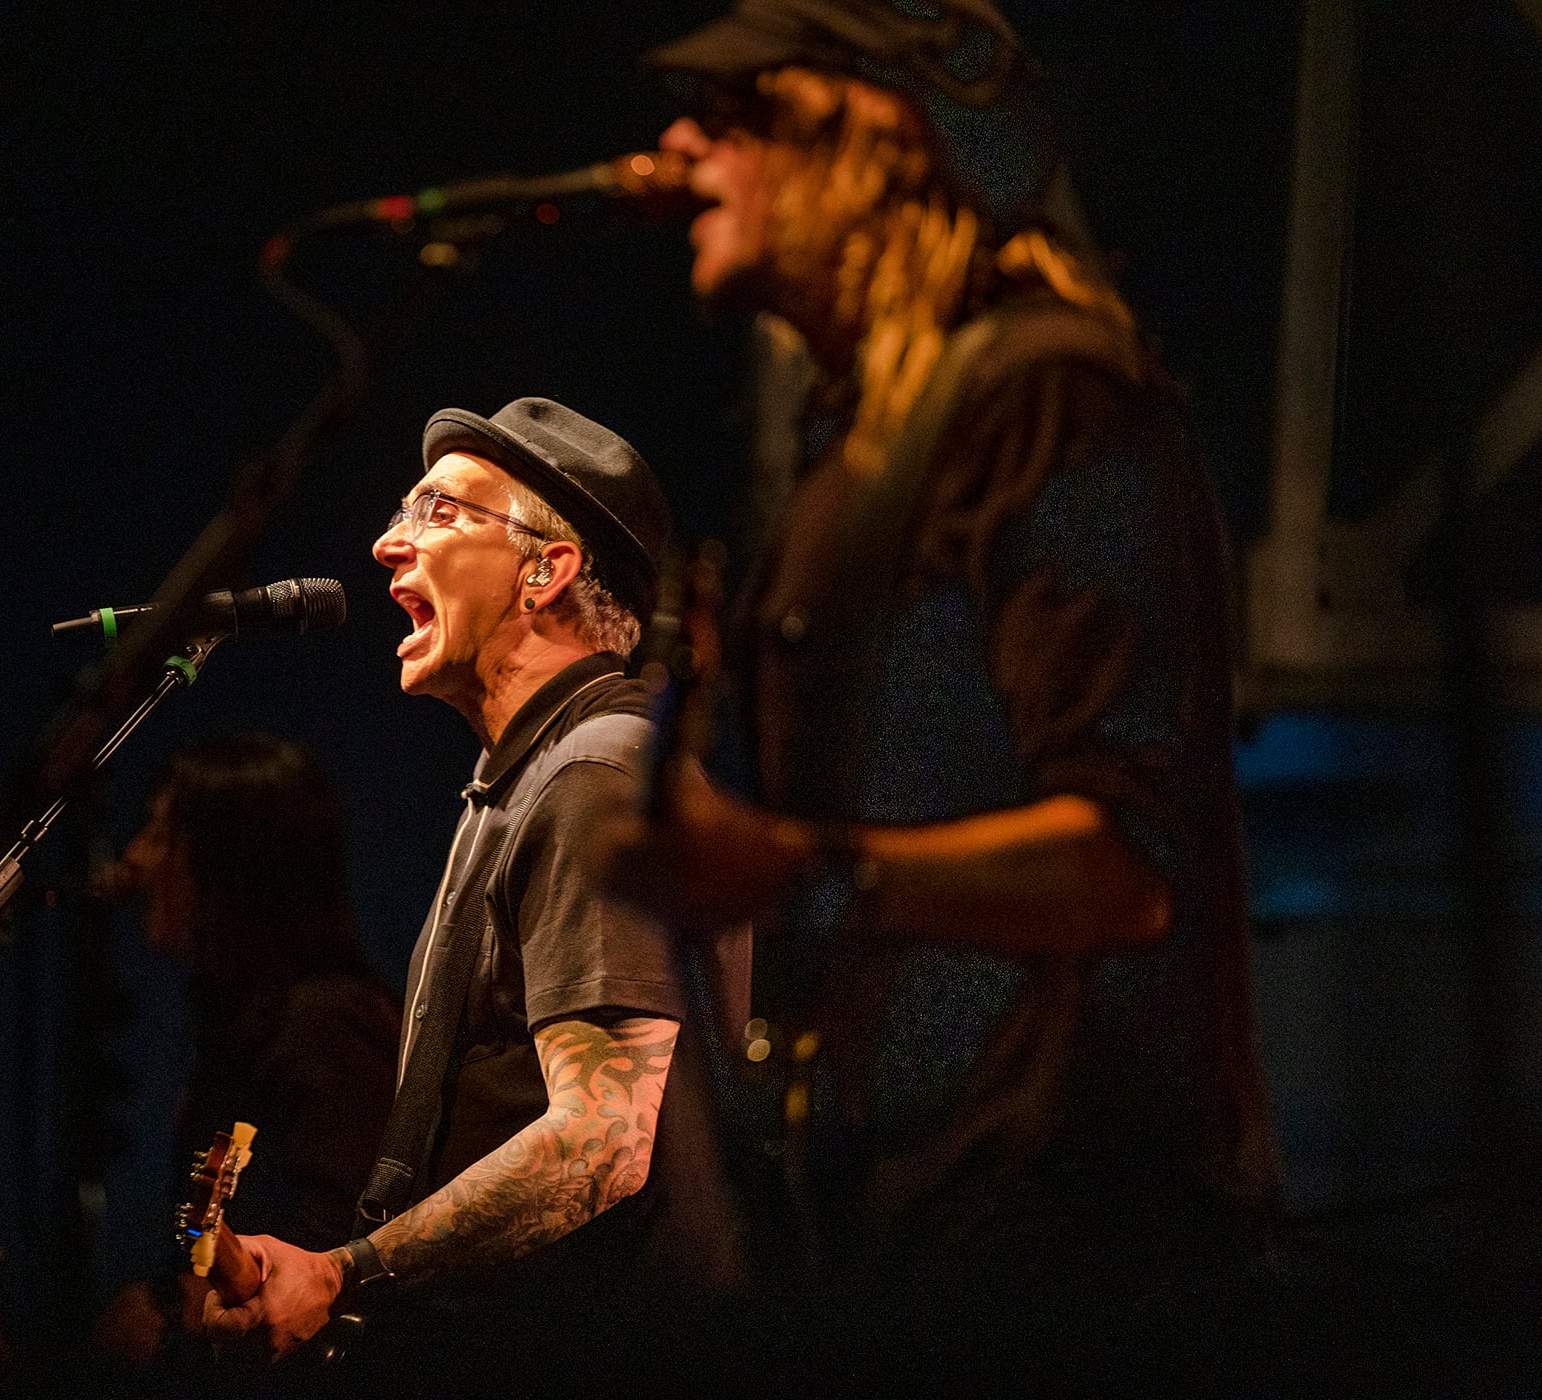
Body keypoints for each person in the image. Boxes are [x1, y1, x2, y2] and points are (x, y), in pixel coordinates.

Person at [605, 0, 1285, 1390]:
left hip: (1072, 1261)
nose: (677, 148)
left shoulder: (1058, 403)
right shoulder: (852, 457)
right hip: (905, 1235)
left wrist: (795, 868)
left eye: (735, 118)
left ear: (875, 145)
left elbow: (1129, 865)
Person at [200, 398, 747, 1388]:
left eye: (439, 512)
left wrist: (348, 1271)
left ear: (546, 569)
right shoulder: (525, 784)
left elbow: (603, 1142)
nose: (384, 542)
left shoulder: (594, 774)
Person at [89, 733, 399, 1380]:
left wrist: (170, 1315)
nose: (136, 857)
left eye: (160, 833)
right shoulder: (246, 1027)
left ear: (228, 860)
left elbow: (344, 1250)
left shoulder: (324, 1024)